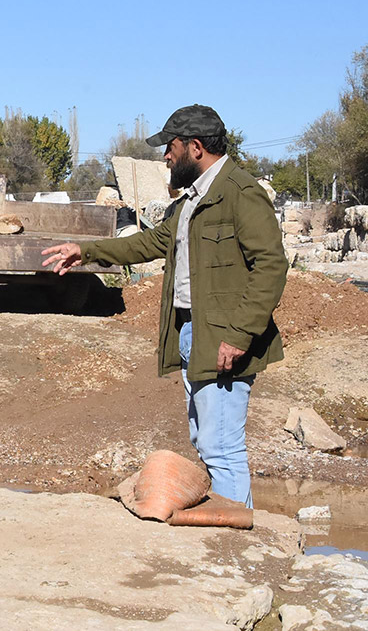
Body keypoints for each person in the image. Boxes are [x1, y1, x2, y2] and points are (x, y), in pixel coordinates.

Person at [40, 104, 287, 508]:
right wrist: (84, 251)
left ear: (194, 147)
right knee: (206, 440)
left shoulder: (241, 194)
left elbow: (272, 266)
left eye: (170, 147)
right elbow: (149, 243)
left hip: (224, 339)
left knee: (221, 445)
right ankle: (224, 531)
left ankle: (233, 541)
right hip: (195, 333)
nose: (165, 156)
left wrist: (241, 334)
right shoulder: (190, 202)